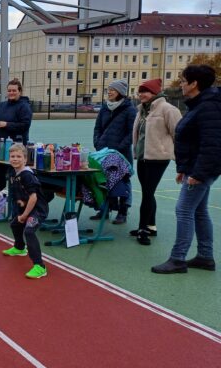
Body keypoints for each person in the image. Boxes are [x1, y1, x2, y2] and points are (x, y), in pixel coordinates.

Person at [152, 65, 221, 274]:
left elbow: (212, 145)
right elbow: (193, 141)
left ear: (194, 84)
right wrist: (184, 168)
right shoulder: (200, 104)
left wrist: (198, 174)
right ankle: (205, 256)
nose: (181, 84)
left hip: (201, 170)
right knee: (199, 211)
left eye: (183, 81)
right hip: (195, 167)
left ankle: (178, 258)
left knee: (183, 210)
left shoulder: (208, 107)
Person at [130, 78, 182, 246]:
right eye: (140, 91)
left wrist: (180, 160)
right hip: (142, 157)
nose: (141, 94)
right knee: (148, 192)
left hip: (158, 158)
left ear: (154, 93)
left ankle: (142, 229)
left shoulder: (168, 109)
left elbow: (178, 134)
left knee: (147, 193)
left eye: (144, 91)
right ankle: (151, 226)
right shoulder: (142, 110)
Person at [92, 79, 137, 224]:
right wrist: (97, 143)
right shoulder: (105, 108)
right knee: (103, 179)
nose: (109, 92)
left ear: (121, 93)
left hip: (121, 154)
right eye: (109, 89)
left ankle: (123, 211)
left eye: (113, 89)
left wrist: (119, 148)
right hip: (103, 152)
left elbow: (132, 133)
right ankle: (104, 209)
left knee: (124, 180)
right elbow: (97, 127)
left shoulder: (130, 110)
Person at [0, 79, 32, 210]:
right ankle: (0, 206)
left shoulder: (24, 106)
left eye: (14, 90)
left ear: (20, 91)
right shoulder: (2, 105)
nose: (11, 93)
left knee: (15, 178)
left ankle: (16, 206)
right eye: (9, 90)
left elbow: (25, 125)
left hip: (15, 149)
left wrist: (6, 124)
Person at [2, 143, 49, 279]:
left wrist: (24, 215)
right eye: (12, 156)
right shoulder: (12, 172)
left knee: (29, 231)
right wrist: (19, 212)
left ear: (25, 159)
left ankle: (40, 266)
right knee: (14, 224)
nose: (15, 159)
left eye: (18, 156)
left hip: (37, 210)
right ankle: (19, 247)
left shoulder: (27, 175)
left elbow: (33, 198)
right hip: (25, 208)